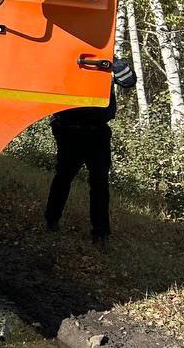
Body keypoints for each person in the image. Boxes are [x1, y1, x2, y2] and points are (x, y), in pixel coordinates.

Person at [45, 59, 137, 247]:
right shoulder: (67, 55)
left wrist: (113, 65)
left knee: (100, 183)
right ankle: (51, 221)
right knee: (63, 177)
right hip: (69, 129)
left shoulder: (106, 57)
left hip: (98, 132)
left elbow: (129, 81)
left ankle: (101, 233)